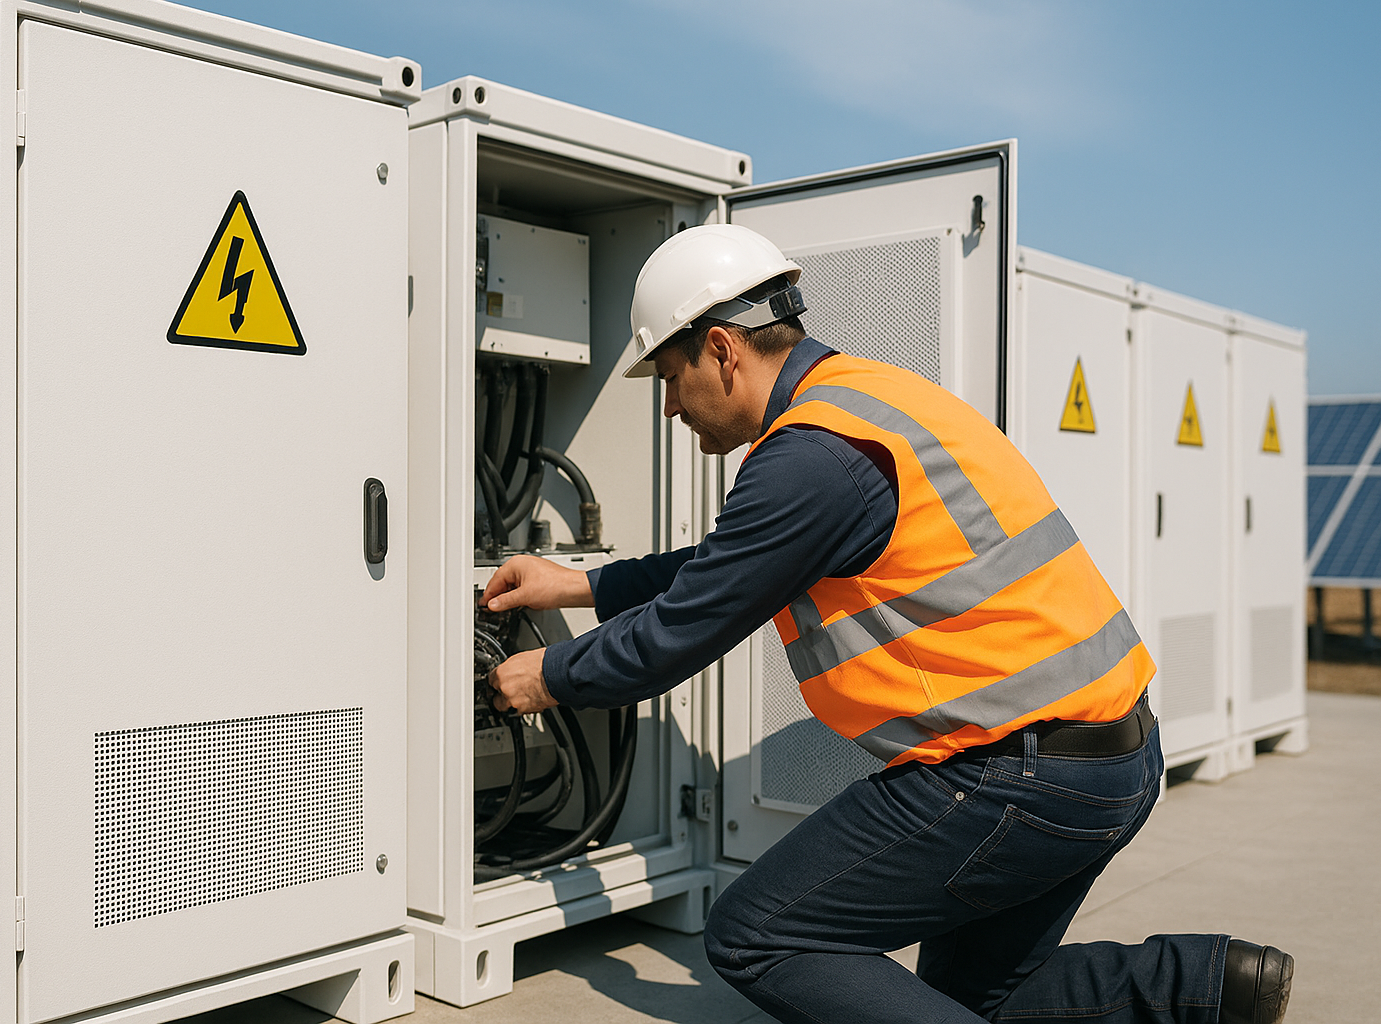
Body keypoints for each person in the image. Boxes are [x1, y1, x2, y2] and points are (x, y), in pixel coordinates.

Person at [481, 223, 1295, 1024]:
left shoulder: (811, 456)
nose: (668, 408)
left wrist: (548, 676)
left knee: (758, 935)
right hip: (1115, 758)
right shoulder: (869, 401)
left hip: (1018, 778)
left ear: (721, 350)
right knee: (972, 999)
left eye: (668, 376)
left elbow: (681, 631)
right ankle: (1209, 986)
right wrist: (581, 585)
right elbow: (737, 560)